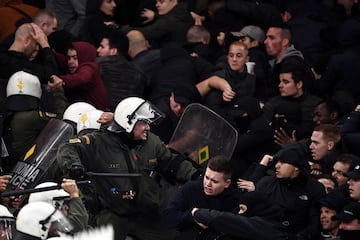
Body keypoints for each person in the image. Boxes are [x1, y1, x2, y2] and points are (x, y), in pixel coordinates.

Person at [56, 96, 200, 240]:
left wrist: (195, 176)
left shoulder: (151, 142)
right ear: (128, 122)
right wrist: (74, 166)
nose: (148, 127)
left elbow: (171, 162)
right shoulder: (98, 142)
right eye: (143, 122)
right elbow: (68, 147)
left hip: (146, 212)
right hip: (111, 212)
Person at [251, 142, 326, 240]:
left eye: (282, 162)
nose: (277, 166)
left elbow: (315, 223)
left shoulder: (315, 188)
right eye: (277, 162)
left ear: (296, 166)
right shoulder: (265, 183)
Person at [163, 155, 242, 239]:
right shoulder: (191, 188)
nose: (208, 184)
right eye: (207, 177)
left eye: (214, 181)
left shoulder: (234, 200)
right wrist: (192, 215)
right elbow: (168, 217)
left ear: (227, 183)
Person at [3, 70, 66, 172]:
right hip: (25, 169)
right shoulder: (31, 117)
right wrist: (58, 91)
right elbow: (61, 120)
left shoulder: (6, 115)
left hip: (11, 167)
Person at [262, 57, 321, 144]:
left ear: (299, 84)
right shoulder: (272, 104)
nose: (280, 85)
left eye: (285, 82)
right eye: (280, 81)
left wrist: (295, 144)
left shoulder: (316, 105)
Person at [96, 31, 147, 112]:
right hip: (127, 116)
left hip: (101, 115)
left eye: (102, 47)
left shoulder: (98, 65)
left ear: (114, 51)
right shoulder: (139, 72)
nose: (98, 50)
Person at [51, 41, 109, 110]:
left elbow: (82, 78)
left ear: (83, 57)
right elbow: (59, 58)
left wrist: (61, 80)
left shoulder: (89, 67)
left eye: (75, 58)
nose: (70, 62)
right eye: (69, 58)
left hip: (94, 115)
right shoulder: (74, 67)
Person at [263, 23, 314, 100]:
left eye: (271, 38)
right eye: (266, 37)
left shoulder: (294, 64)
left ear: (284, 42)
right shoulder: (273, 63)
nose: (265, 42)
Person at [121, 0, 194, 47]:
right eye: (157, 2)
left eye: (161, 2)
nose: (157, 5)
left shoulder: (171, 20)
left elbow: (146, 32)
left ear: (174, 1)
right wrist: (156, 16)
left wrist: (117, 28)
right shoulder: (181, 12)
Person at [230, 25, 270, 101]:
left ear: (254, 43)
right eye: (239, 40)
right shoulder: (259, 55)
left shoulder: (254, 55)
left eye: (243, 40)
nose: (239, 42)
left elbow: (258, 78)